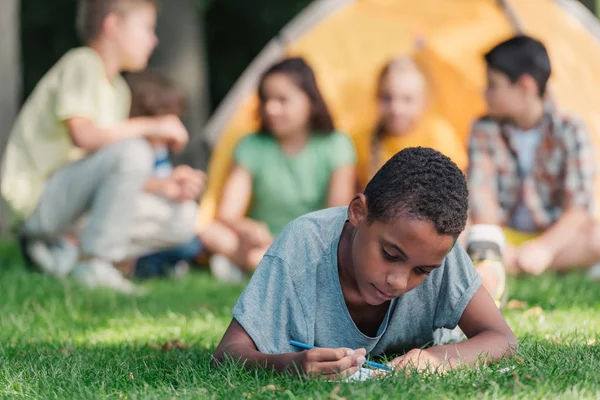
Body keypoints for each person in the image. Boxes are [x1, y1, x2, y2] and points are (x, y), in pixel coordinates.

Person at [213, 147, 516, 378]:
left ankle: (484, 265)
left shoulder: (435, 252)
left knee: (470, 311)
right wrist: (289, 365)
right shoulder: (301, 246)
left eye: (422, 271)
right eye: (390, 255)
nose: (398, 282)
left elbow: (502, 339)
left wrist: (438, 359)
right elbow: (227, 353)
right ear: (358, 212)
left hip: (447, 334)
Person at [1, 0, 195, 294]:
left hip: (73, 202)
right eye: (146, 28)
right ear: (112, 24)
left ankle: (67, 256)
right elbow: (84, 137)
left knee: (183, 218)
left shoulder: (117, 89)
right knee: (134, 149)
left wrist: (164, 187)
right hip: (39, 203)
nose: (153, 40)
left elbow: (111, 173)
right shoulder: (82, 63)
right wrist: (152, 126)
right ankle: (94, 262)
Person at [202, 57, 357, 278]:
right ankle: (270, 266)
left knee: (344, 245)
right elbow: (227, 213)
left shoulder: (336, 144)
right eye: (265, 100)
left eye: (282, 100)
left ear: (310, 101)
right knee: (210, 232)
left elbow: (337, 216)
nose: (271, 109)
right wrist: (247, 228)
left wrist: (286, 242)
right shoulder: (251, 145)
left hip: (312, 242)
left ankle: (258, 266)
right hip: (260, 242)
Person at [467, 35, 599, 291]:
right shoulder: (483, 128)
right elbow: (482, 203)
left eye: (493, 85)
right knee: (456, 235)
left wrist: (545, 248)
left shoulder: (571, 129)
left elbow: (579, 207)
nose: (486, 93)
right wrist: (501, 247)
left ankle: (507, 264)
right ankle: (516, 261)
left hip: (554, 237)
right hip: (504, 235)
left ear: (525, 87)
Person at [124, 70, 206, 279]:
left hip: (146, 227)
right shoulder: (129, 147)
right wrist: (164, 186)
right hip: (126, 224)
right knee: (190, 236)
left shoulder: (158, 150)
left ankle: (145, 265)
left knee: (190, 242)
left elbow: (163, 184)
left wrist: (179, 184)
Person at [355, 55, 468, 189]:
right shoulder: (360, 141)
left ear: (424, 102)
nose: (396, 109)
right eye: (387, 98)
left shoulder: (439, 135)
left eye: (407, 99)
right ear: (376, 97)